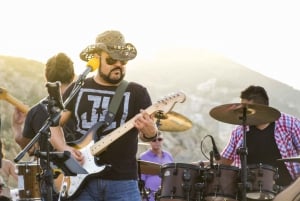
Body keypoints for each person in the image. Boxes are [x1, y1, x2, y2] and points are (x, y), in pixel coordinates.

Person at [49, 30, 159, 201]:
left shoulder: (137, 92)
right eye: (111, 60)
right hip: (80, 179)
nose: (118, 65)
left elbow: (147, 135)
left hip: (122, 182)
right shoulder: (78, 87)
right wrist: (64, 149)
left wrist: (151, 131)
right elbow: (53, 124)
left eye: (123, 61)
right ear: (97, 58)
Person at [216, 85, 300, 200]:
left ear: (262, 109)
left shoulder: (289, 123)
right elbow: (224, 160)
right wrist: (199, 165)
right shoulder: (239, 131)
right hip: (249, 193)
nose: (243, 113)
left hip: (288, 190)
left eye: (247, 109)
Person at [11, 52, 75, 200]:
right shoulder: (83, 104)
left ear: (47, 78)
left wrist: (16, 126)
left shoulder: (35, 111)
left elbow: (30, 149)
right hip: (86, 178)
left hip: (51, 184)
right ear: (73, 77)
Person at [139, 132, 174, 201]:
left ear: (163, 140)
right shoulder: (143, 157)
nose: (157, 142)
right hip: (150, 196)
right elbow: (141, 180)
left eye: (159, 139)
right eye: (154, 140)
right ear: (149, 142)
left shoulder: (168, 156)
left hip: (166, 195)